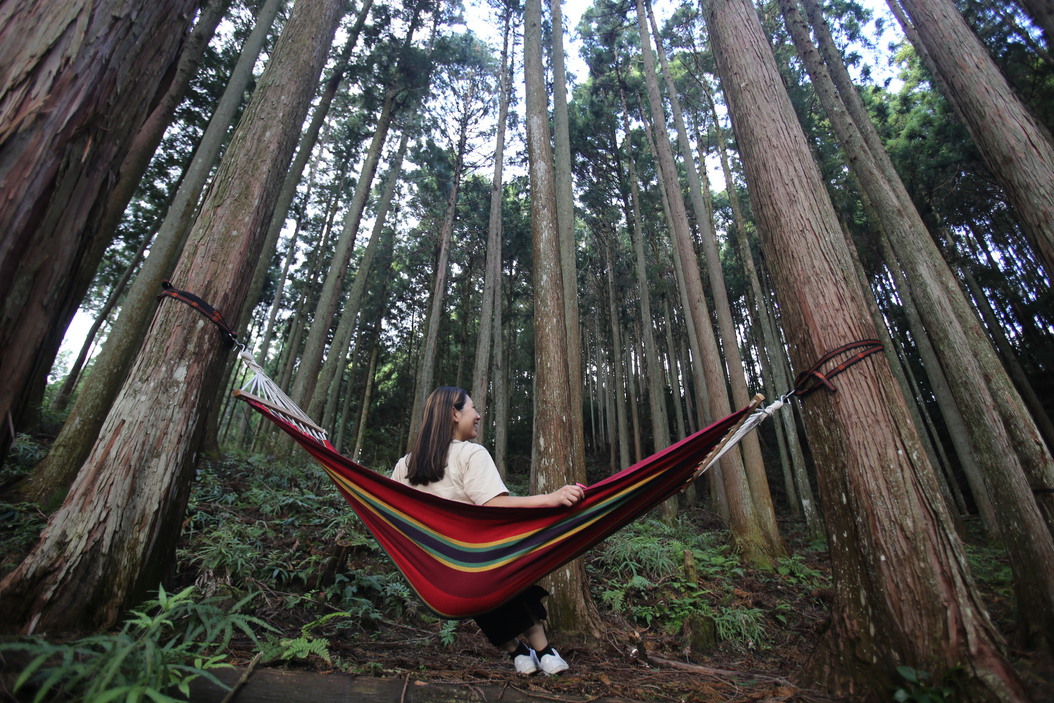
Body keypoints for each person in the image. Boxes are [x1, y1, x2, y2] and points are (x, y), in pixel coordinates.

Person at [392, 386, 584, 675]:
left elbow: (394, 515)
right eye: (472, 409)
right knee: (504, 574)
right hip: (475, 561)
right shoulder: (471, 454)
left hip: (438, 570)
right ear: (454, 414)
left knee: (479, 583)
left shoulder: (404, 466)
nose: (478, 415)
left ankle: (518, 652)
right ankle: (544, 653)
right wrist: (550, 498)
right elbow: (495, 504)